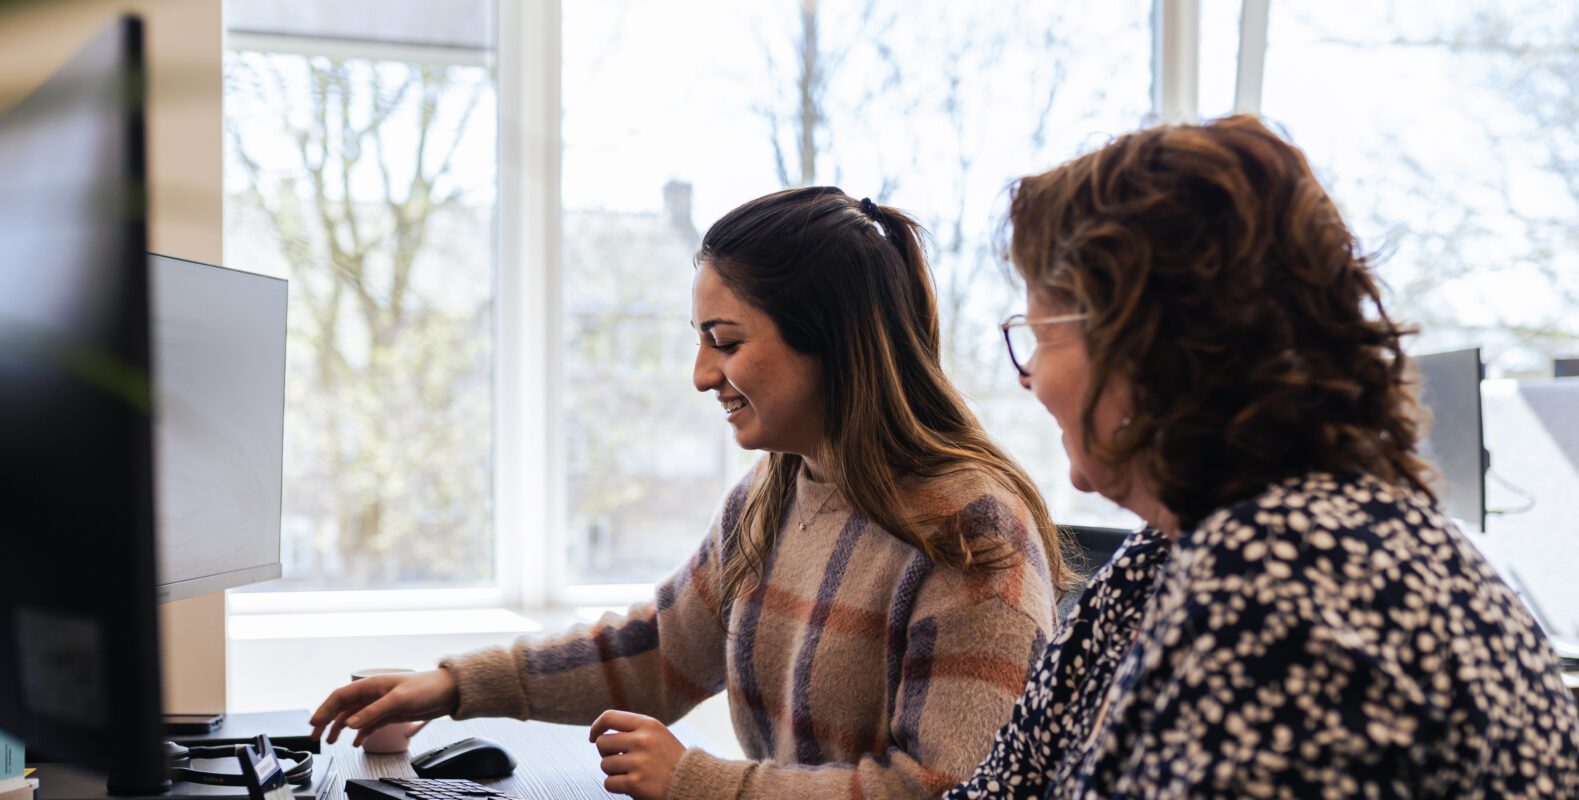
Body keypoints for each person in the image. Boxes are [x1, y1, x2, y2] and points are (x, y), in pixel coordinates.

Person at [311, 187, 1076, 799]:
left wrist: (696, 783)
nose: (702, 374)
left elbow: (947, 789)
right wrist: (451, 687)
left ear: (833, 339)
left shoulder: (970, 531)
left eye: (726, 341)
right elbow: (660, 652)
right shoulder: (774, 493)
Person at [947, 116, 1579, 798]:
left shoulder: (1282, 579)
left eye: (1039, 333)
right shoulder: (1162, 560)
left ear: (1149, 344)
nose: (1027, 376)